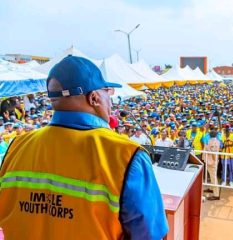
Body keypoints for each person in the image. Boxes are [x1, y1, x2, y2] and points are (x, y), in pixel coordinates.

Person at [0, 56, 168, 240]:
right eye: (107, 91)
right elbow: (148, 236)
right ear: (94, 98)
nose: (110, 101)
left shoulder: (16, 147)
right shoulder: (127, 156)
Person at [202, 130, 221, 201]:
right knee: (212, 176)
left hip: (212, 161)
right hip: (209, 160)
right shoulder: (211, 140)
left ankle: (216, 194)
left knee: (213, 177)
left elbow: (213, 152)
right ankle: (212, 188)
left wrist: (206, 147)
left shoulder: (215, 142)